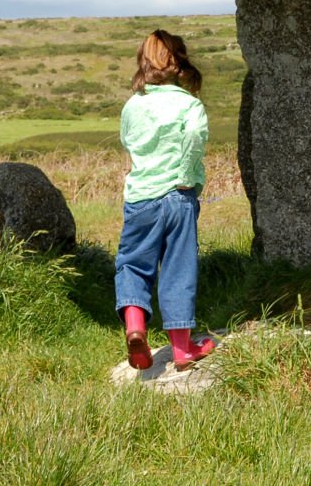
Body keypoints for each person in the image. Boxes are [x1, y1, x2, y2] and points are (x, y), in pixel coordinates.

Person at [115, 29, 216, 371]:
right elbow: (195, 135)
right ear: (178, 63)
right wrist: (187, 178)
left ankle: (135, 326)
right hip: (178, 196)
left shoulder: (133, 105)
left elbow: (128, 141)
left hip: (141, 197)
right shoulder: (190, 105)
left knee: (132, 264)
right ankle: (183, 349)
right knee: (179, 268)